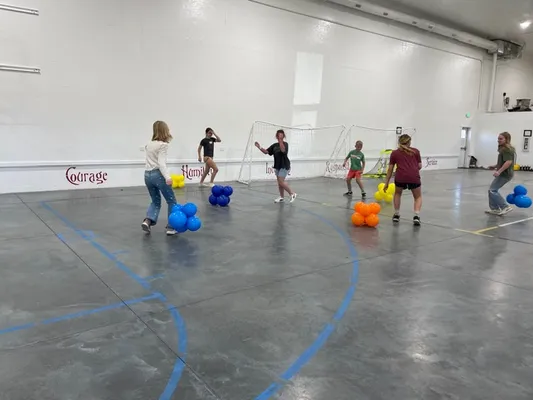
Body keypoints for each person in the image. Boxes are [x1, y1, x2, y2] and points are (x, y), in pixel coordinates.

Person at [142, 120, 178, 236]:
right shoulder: (163, 145)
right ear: (165, 131)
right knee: (171, 200)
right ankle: (171, 227)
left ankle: (148, 221)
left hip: (147, 175)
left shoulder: (148, 144)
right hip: (158, 175)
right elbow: (161, 163)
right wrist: (167, 177)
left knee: (155, 201)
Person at [384, 134, 422, 226]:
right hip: (414, 177)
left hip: (400, 177)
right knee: (417, 197)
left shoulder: (394, 153)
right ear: (409, 142)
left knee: (397, 194)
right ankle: (416, 216)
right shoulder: (416, 151)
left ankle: (396, 215)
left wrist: (386, 183)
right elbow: (419, 166)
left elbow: (390, 169)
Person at [255, 129, 297, 203]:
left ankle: (292, 194)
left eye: (281, 135)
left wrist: (281, 141)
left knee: (281, 182)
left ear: (283, 136)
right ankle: (281, 197)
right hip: (277, 166)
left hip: (284, 165)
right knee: (279, 183)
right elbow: (266, 152)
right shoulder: (274, 145)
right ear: (276, 136)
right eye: (278, 135)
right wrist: (259, 147)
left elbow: (283, 150)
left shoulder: (285, 144)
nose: (280, 137)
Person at [486, 132, 515, 215]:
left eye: (501, 139)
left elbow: (508, 162)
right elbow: (503, 162)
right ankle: (495, 209)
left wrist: (499, 171)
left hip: (505, 174)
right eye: (498, 138)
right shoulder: (503, 148)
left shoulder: (507, 149)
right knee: (491, 190)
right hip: (504, 173)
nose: (498, 140)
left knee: (492, 190)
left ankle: (505, 206)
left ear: (506, 139)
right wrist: (495, 166)